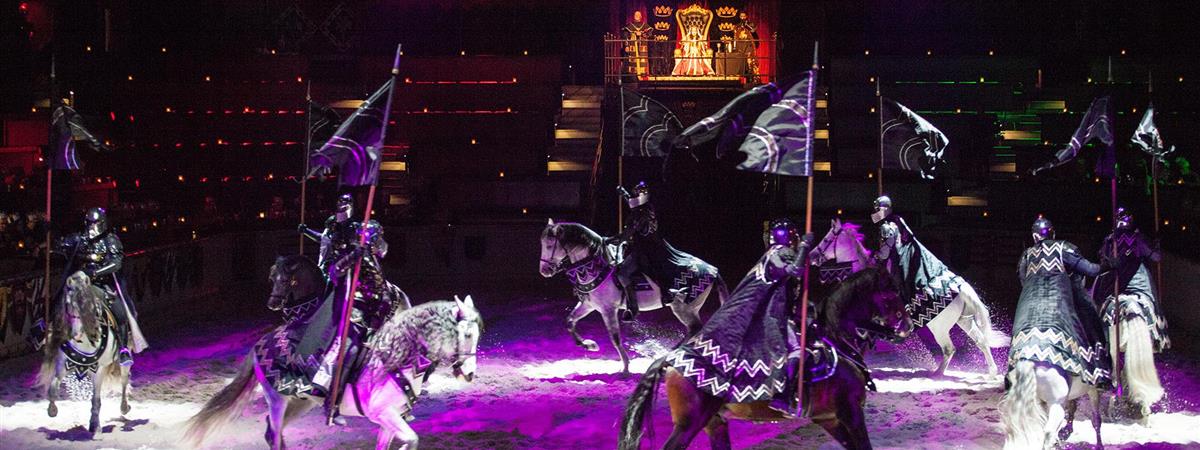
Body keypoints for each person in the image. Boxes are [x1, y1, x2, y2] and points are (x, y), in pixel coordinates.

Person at [665, 218, 813, 416]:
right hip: (770, 316)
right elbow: (795, 270)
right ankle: (782, 397)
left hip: (774, 312)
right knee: (796, 350)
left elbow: (802, 267)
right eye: (795, 238)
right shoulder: (778, 253)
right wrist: (805, 246)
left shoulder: (772, 253)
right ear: (791, 238)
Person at [297, 193, 391, 421]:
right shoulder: (337, 233)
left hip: (373, 300)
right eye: (341, 203)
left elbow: (382, 251)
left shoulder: (364, 239)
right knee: (348, 346)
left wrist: (371, 245)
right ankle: (330, 398)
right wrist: (351, 256)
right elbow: (333, 264)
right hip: (348, 294)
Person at [1008, 216, 1112, 388]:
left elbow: (1023, 280)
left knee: (1018, 335)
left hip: (1029, 308)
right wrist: (1108, 265)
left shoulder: (1027, 255)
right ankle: (1098, 374)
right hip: (1057, 305)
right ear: (1053, 234)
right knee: (1089, 325)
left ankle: (1011, 373)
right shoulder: (1064, 248)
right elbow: (1091, 270)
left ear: (1034, 236)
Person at [55, 207, 148, 366]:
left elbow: (116, 263)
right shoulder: (80, 239)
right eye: (90, 223)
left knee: (120, 313)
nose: (92, 227)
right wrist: (51, 234)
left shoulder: (110, 241)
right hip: (80, 281)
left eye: (95, 223)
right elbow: (61, 245)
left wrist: (96, 273)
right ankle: (45, 331)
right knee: (61, 298)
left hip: (103, 283)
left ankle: (123, 349)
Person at [870, 194, 966, 327]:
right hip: (906, 257)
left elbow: (885, 253)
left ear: (883, 209)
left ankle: (896, 319)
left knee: (885, 287)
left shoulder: (887, 227)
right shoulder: (897, 220)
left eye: (877, 209)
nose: (876, 213)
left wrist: (875, 256)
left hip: (897, 261)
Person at [1097, 207, 1169, 351]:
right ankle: (1158, 334)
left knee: (1098, 299)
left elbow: (1103, 259)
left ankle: (1100, 338)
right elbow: (1156, 257)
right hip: (1138, 280)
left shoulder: (1110, 240)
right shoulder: (1138, 238)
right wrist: (1156, 245)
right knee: (1153, 301)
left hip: (1116, 279)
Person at [609, 181, 669, 322]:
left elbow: (627, 234)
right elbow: (633, 203)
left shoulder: (640, 214)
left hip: (643, 250)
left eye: (635, 195)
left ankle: (633, 308)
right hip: (647, 246)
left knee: (622, 273)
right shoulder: (645, 208)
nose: (633, 197)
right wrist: (624, 193)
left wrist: (611, 240)